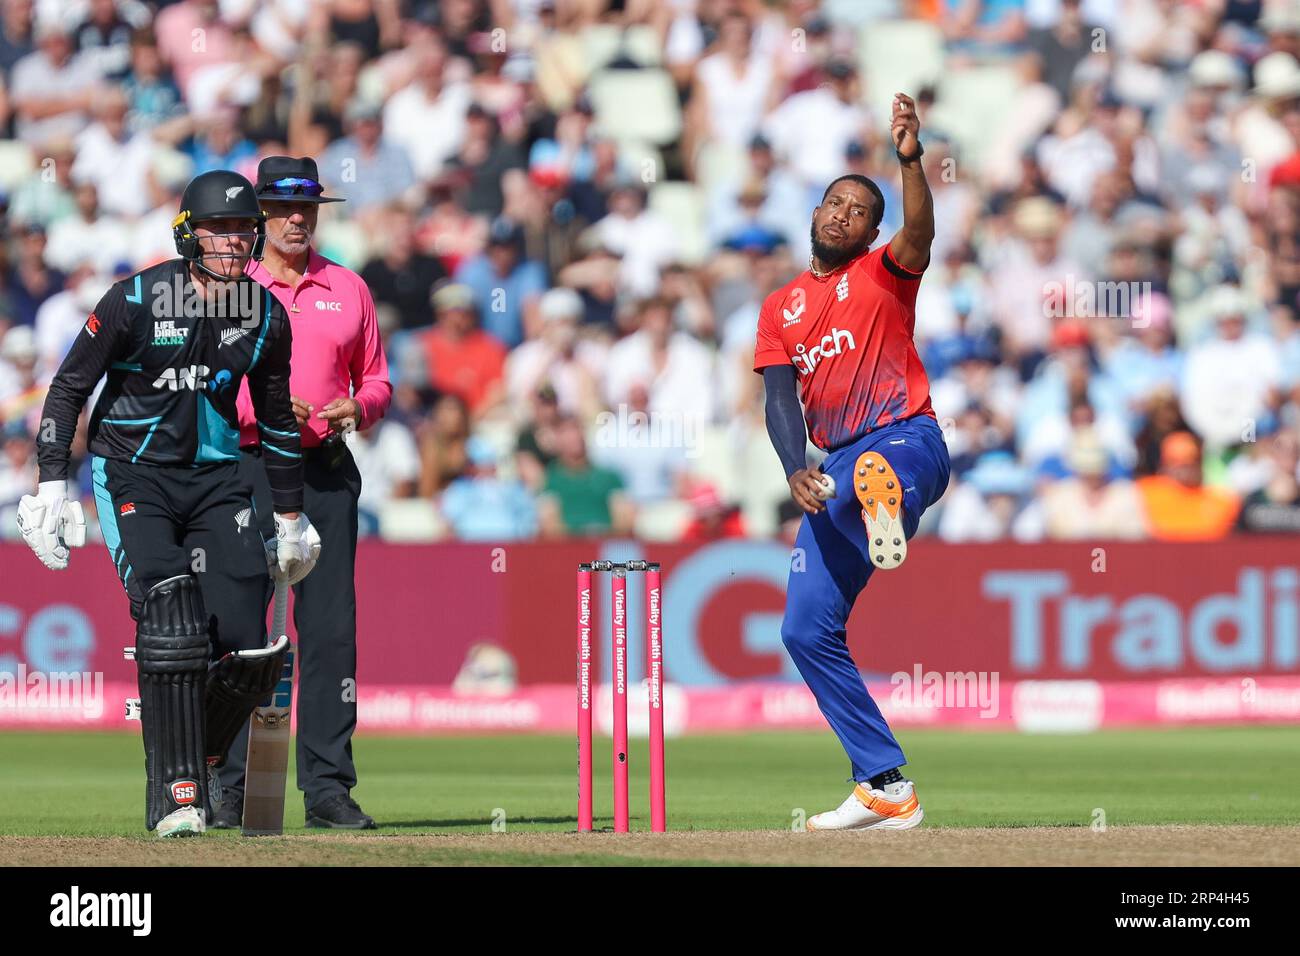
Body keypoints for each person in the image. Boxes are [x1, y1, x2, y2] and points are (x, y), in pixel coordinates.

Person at [17, 168, 320, 838]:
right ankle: (176, 793)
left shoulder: (264, 314)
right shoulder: (134, 300)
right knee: (171, 611)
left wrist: (292, 516)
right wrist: (47, 485)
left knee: (249, 646)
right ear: (189, 232)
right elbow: (68, 389)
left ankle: (204, 754)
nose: (233, 241)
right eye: (218, 228)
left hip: (216, 481)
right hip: (134, 476)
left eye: (243, 228)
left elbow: (273, 419)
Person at [755, 93, 950, 830]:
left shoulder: (886, 272)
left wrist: (908, 161)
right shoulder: (780, 308)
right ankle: (885, 785)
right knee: (804, 630)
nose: (843, 214)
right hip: (833, 467)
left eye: (859, 210)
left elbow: (922, 229)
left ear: (873, 230)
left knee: (879, 473)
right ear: (814, 215)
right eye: (834, 203)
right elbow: (779, 400)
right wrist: (791, 468)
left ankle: (885, 500)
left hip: (907, 438)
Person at [220, 155, 392, 830]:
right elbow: (205, 379)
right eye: (283, 208)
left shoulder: (347, 286)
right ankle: (227, 787)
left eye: (307, 208)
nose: (297, 219)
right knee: (238, 629)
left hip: (323, 470)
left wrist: (361, 409)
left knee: (327, 634)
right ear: (258, 216)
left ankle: (327, 788)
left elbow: (376, 378)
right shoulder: (233, 286)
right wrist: (259, 409)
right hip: (249, 467)